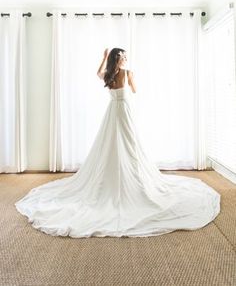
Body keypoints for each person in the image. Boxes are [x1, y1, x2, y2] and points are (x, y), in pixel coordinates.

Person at [15, 47, 221, 238]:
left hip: (113, 111)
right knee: (128, 144)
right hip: (123, 111)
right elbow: (135, 90)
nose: (126, 58)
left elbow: (98, 74)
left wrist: (103, 59)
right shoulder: (128, 73)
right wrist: (126, 75)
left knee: (112, 143)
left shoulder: (109, 75)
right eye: (123, 56)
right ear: (119, 59)